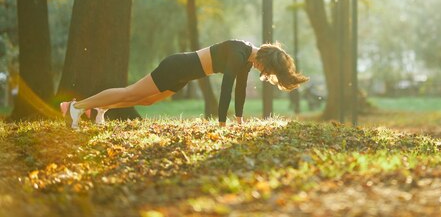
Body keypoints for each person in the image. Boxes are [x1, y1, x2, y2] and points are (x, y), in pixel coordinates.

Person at [60, 40, 309, 129]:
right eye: (267, 69)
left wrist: (239, 120)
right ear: (264, 58)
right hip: (176, 67)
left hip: (184, 76)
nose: (262, 72)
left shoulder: (246, 59)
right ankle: (77, 107)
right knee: (131, 92)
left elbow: (240, 91)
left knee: (144, 100)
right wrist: (222, 123)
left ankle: (102, 108)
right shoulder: (238, 54)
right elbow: (226, 88)